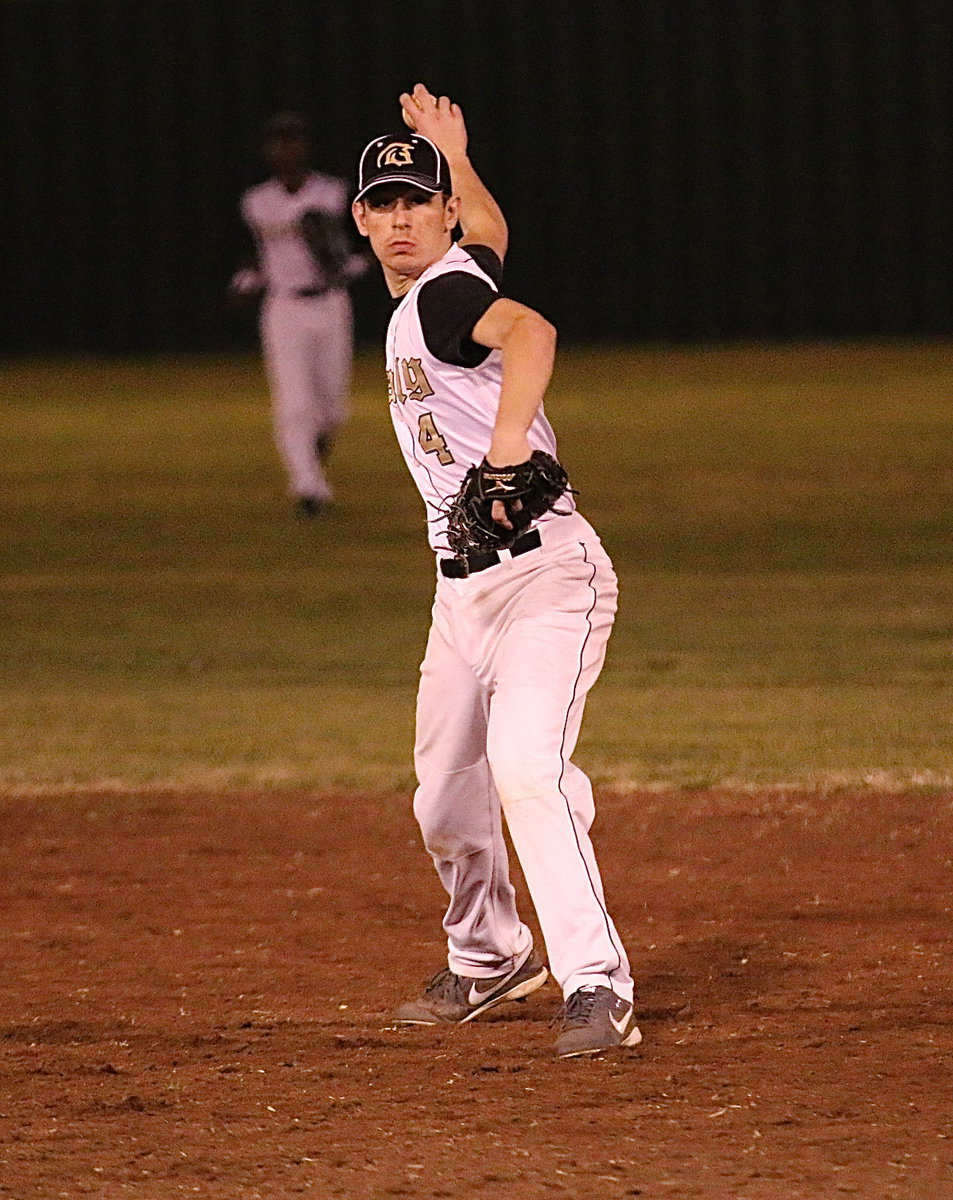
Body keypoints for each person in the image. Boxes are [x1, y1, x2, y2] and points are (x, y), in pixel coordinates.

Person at [351, 85, 640, 1059]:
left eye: (416, 202)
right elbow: (493, 229)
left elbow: (532, 333)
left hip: (544, 579)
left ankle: (596, 983)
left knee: (522, 769)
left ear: (435, 219)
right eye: (381, 205)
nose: (399, 220)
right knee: (441, 793)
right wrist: (454, 155)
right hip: (458, 594)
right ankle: (490, 954)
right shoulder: (447, 274)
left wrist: (509, 444)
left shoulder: (443, 295)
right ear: (360, 219)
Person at [231, 112, 366, 518]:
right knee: (294, 403)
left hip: (331, 303)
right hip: (284, 306)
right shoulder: (257, 201)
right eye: (278, 141)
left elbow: (361, 253)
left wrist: (348, 265)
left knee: (332, 408)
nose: (286, 149)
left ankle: (310, 465)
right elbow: (254, 256)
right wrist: (245, 283)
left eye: (294, 140)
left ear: (308, 146)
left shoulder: (336, 193)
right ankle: (308, 488)